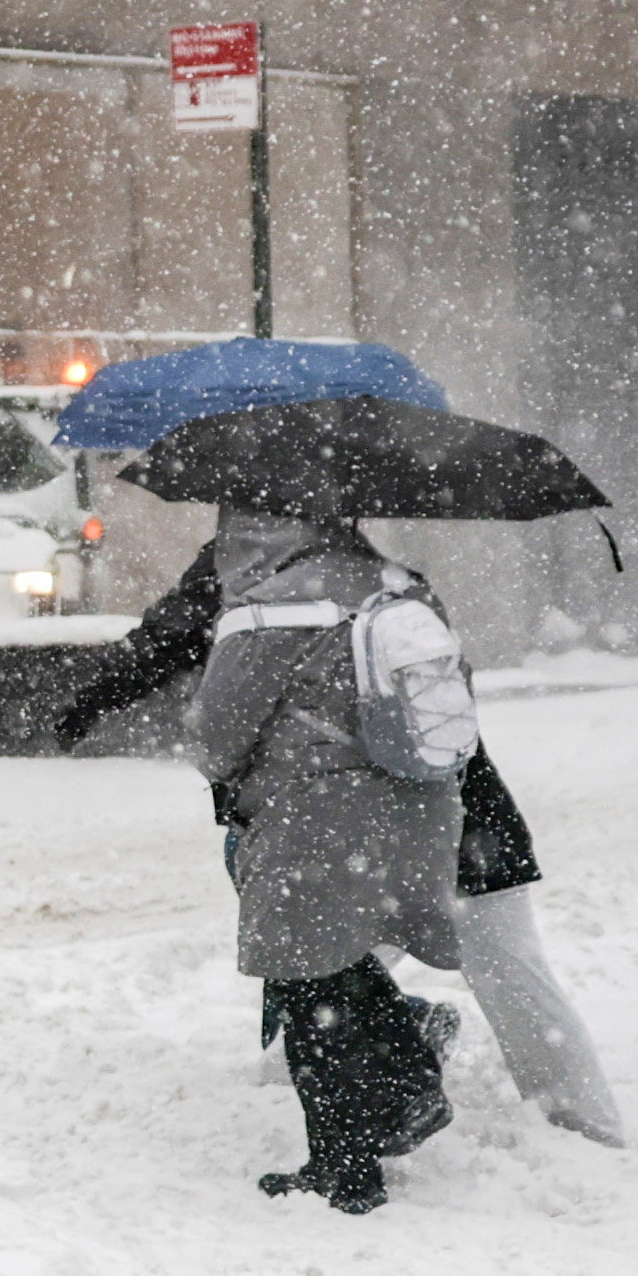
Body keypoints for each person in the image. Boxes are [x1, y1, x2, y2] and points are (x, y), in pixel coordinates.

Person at [49, 555, 624, 1145]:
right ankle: (419, 1050)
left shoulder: (268, 586)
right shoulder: (384, 581)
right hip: (407, 819)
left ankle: (575, 1129)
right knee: (324, 1012)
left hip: (386, 827)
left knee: (481, 966)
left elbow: (194, 685)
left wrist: (92, 695)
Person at [169, 508, 468, 1211]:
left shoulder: (269, 609)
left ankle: (350, 1161)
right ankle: (399, 1084)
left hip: (315, 817)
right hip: (415, 808)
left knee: (309, 989)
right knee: (337, 970)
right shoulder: (403, 589)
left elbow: (214, 738)